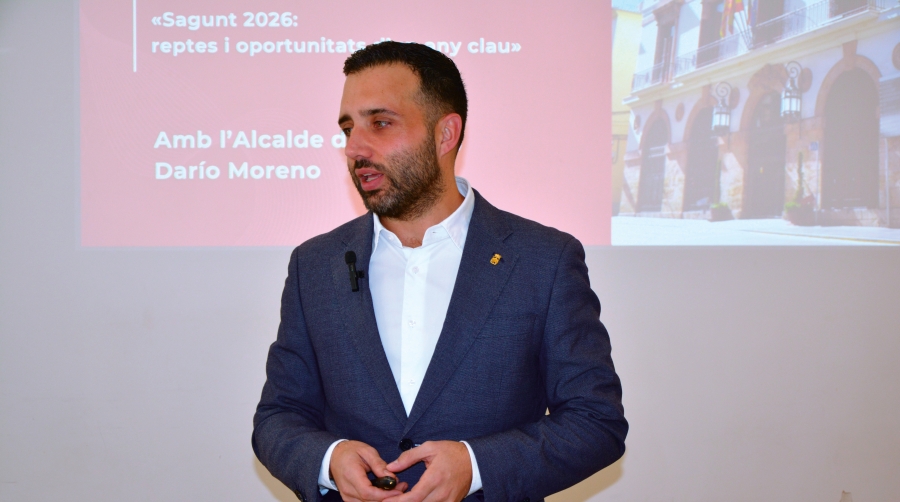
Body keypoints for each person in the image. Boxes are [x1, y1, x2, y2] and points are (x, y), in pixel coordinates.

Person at [252, 41, 627, 502]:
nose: (354, 148)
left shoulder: (542, 260)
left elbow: (596, 421)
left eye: (380, 123)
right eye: (348, 128)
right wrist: (329, 459)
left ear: (446, 134)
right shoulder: (314, 265)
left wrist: (476, 466)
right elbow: (278, 417)